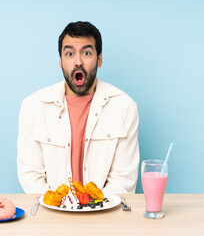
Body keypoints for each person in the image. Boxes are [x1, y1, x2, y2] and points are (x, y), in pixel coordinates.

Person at [17, 21, 139, 195]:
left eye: (87, 53)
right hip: (52, 215)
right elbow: (30, 176)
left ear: (100, 59)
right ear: (60, 61)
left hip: (104, 215)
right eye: (69, 54)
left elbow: (123, 179)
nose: (78, 62)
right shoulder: (33, 107)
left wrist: (93, 208)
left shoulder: (124, 107)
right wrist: (59, 205)